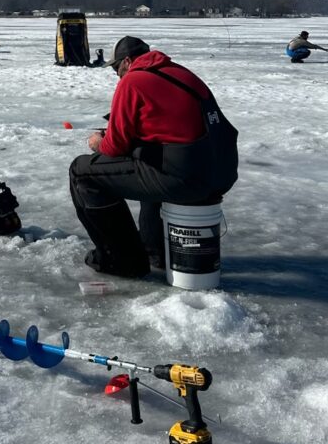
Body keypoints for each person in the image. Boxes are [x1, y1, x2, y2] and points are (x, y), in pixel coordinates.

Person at [69, 36, 238, 278]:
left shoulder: (133, 81)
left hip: (186, 178)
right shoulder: (180, 73)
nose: (117, 75)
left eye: (116, 69)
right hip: (220, 172)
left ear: (127, 61)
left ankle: (121, 259)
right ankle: (154, 251)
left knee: (81, 171)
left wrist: (97, 142)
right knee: (149, 162)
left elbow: (114, 147)